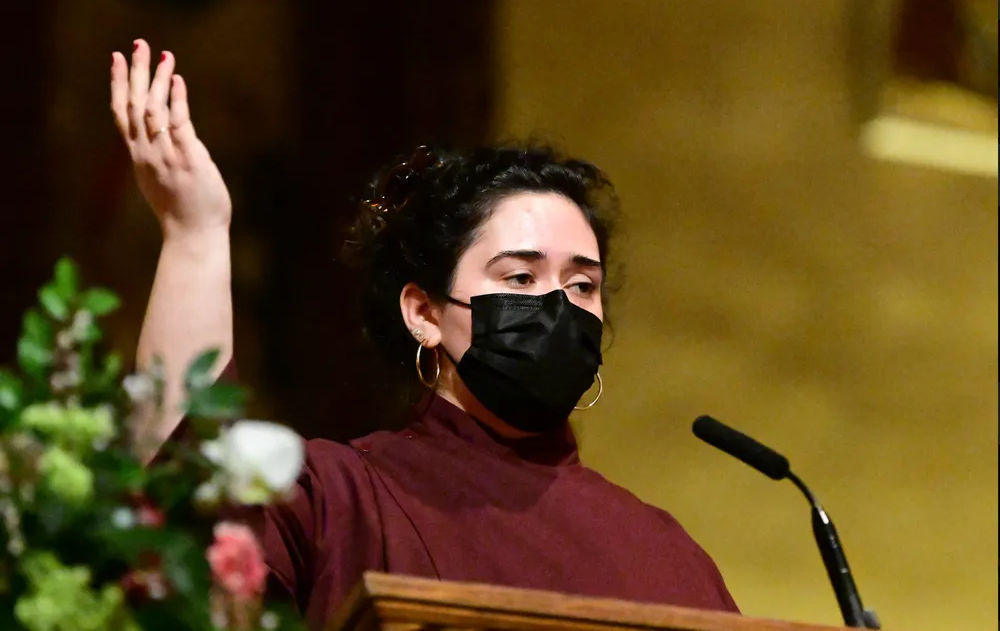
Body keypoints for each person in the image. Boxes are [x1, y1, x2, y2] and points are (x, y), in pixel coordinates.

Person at [111, 40, 739, 629]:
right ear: (424, 313)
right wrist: (195, 235)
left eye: (582, 287)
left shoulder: (667, 554)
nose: (556, 305)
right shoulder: (339, 499)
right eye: (520, 277)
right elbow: (182, 524)